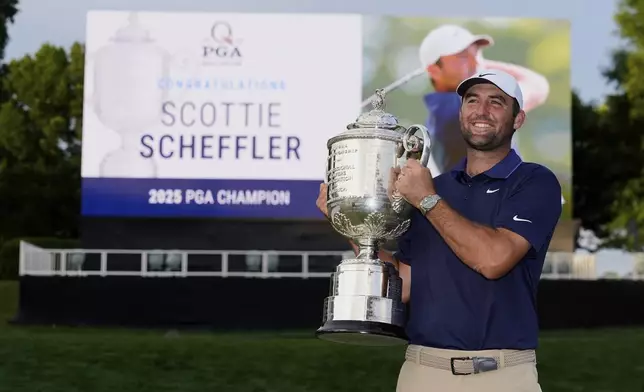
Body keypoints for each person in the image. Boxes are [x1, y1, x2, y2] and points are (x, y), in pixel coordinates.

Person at [316, 70, 562, 391]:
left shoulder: (533, 181)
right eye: (472, 100)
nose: (481, 111)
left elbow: (493, 259)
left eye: (497, 102)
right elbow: (403, 286)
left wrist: (428, 200)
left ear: (518, 119)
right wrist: (351, 223)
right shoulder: (437, 187)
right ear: (461, 114)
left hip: (502, 376)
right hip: (423, 372)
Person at [417, 24, 550, 176]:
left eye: (477, 54)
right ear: (434, 70)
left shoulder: (441, 109)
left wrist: (479, 66)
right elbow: (537, 85)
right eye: (462, 56)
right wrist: (487, 68)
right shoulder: (457, 107)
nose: (476, 63)